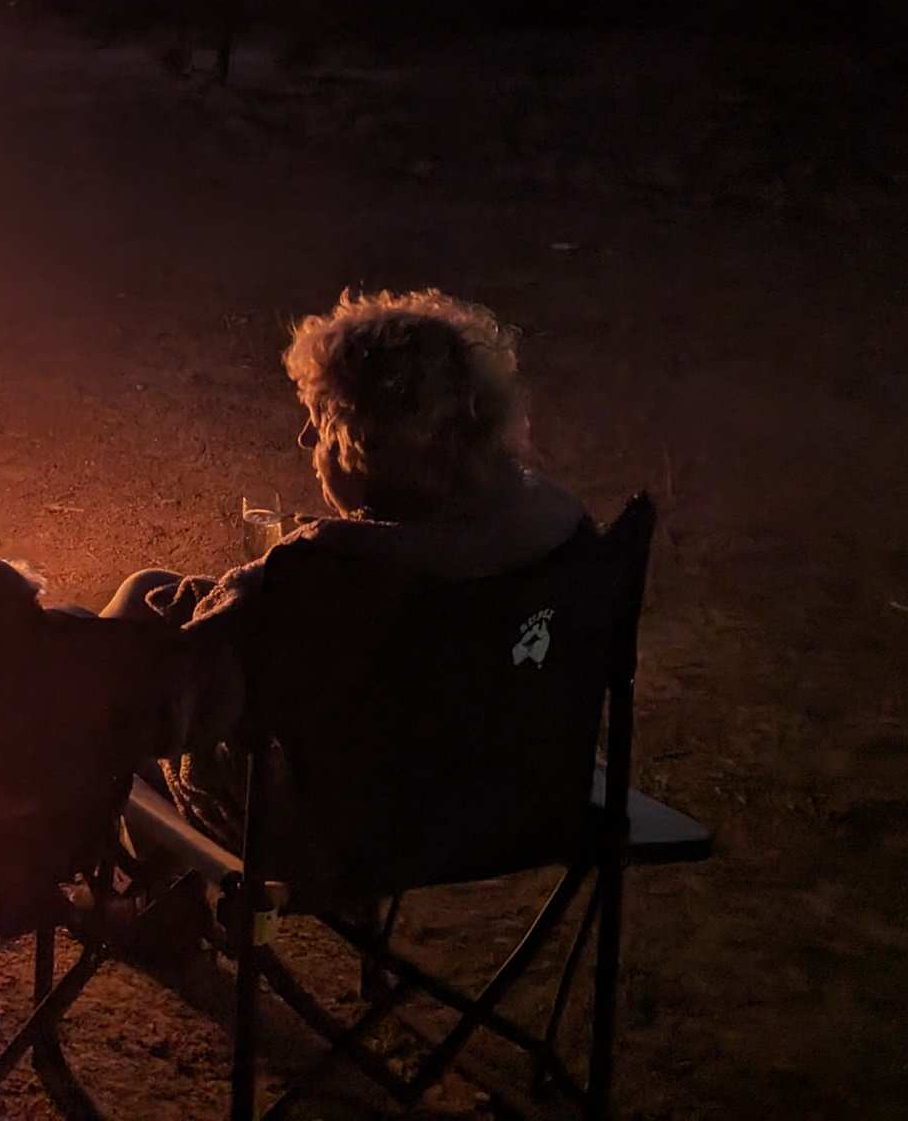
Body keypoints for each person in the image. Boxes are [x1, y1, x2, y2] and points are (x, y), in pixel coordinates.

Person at [103, 288, 590, 848]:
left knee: (120, 675)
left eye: (318, 421)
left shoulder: (325, 572)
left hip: (335, 825)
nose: (306, 438)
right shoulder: (554, 527)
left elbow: (177, 711)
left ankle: (123, 876)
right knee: (150, 590)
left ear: (364, 441)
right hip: (505, 795)